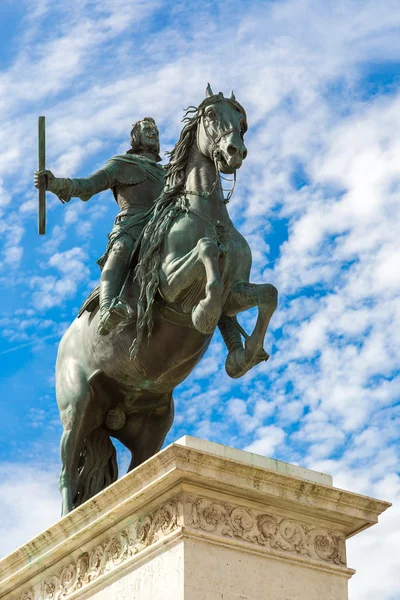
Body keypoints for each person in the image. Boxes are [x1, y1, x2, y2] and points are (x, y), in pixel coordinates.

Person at [34, 118, 165, 334]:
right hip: (131, 226)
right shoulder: (122, 164)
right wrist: (55, 183)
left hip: (163, 226)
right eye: (147, 130)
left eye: (155, 130)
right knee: (121, 248)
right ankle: (107, 310)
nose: (153, 133)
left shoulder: (169, 174)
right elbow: (88, 186)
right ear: (136, 137)